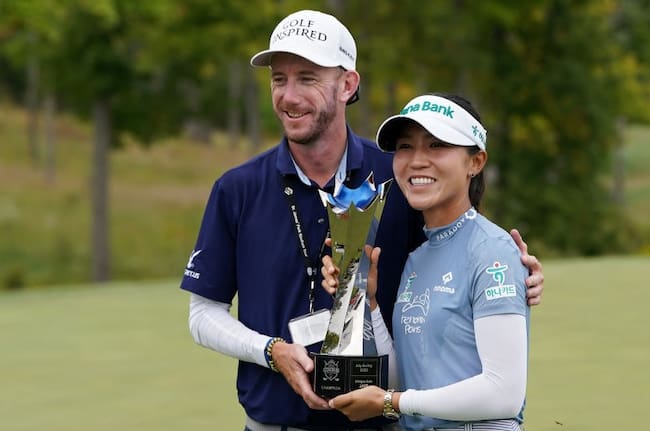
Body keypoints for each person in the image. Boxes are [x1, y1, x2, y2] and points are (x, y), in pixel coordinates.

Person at [180, 9, 544, 431]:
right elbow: (202, 315)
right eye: (279, 79)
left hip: (382, 421)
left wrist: (518, 278)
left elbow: (463, 248)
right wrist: (271, 350)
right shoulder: (237, 189)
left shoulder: (401, 176)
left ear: (347, 84)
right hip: (274, 423)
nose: (289, 95)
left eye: (308, 78)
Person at [321, 93, 530, 430]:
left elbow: (503, 392)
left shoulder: (492, 250)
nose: (417, 160)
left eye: (436, 146)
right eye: (405, 146)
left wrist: (391, 402)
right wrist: (367, 301)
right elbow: (412, 379)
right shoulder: (417, 257)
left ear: (475, 162)